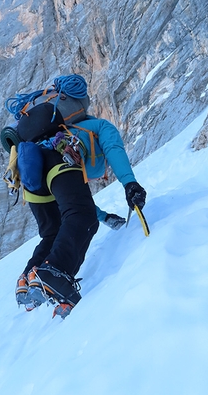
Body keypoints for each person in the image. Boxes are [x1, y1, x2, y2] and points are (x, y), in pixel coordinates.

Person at [12, 89, 147, 318]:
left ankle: (30, 279)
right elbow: (114, 150)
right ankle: (55, 273)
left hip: (30, 172)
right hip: (59, 157)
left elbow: (70, 204)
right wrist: (130, 184)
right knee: (82, 218)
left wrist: (103, 216)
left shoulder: (49, 134)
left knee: (53, 233)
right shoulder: (100, 127)